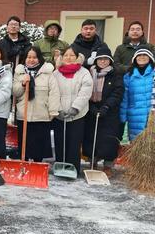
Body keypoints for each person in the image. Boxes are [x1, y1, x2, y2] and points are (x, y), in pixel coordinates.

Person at [12, 46, 60, 163]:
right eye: (29, 57)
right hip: (24, 115)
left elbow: (54, 93)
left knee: (39, 144)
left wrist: (53, 111)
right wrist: (23, 83)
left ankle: (37, 165)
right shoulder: (19, 73)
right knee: (25, 144)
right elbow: (15, 92)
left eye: (34, 57)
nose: (31, 60)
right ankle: (25, 164)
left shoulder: (48, 73)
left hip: (41, 114)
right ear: (25, 58)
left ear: (39, 58)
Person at [82, 47, 124, 175]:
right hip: (92, 109)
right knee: (91, 137)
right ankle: (92, 161)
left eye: (106, 59)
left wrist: (106, 107)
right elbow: (85, 90)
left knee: (108, 139)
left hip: (109, 111)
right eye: (100, 59)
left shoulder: (115, 74)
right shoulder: (90, 72)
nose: (103, 61)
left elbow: (118, 92)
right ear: (96, 61)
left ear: (110, 60)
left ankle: (108, 165)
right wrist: (92, 106)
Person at [53, 47, 93, 175]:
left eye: (72, 55)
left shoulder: (84, 72)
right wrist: (58, 109)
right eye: (66, 55)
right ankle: (60, 166)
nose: (68, 58)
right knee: (60, 141)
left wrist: (76, 107)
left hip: (77, 115)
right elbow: (53, 93)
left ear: (77, 57)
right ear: (62, 57)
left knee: (74, 142)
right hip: (60, 114)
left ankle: (73, 167)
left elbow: (86, 91)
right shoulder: (56, 73)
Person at [119, 48, 155, 141]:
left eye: (145, 55)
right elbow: (124, 98)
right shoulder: (129, 76)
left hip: (152, 115)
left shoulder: (153, 74)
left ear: (150, 58)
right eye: (139, 55)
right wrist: (123, 117)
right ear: (135, 58)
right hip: (134, 116)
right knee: (137, 146)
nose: (141, 57)